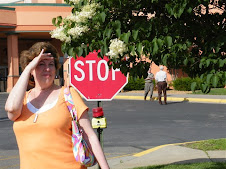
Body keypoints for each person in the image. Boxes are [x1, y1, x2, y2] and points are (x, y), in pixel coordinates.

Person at [5, 42, 110, 169]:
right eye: (41, 64)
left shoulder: (68, 94)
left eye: (51, 64)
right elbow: (11, 110)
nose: (47, 68)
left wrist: (105, 168)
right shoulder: (22, 100)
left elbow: (89, 135)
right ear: (31, 69)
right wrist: (27, 69)